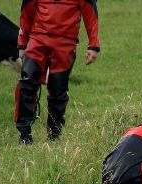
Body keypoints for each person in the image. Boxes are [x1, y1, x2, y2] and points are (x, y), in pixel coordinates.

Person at [14, 0, 100, 144]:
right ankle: (24, 134)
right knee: (26, 84)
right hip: (37, 40)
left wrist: (93, 45)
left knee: (58, 89)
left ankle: (54, 134)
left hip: (65, 44)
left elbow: (91, 13)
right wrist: (22, 43)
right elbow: (26, 12)